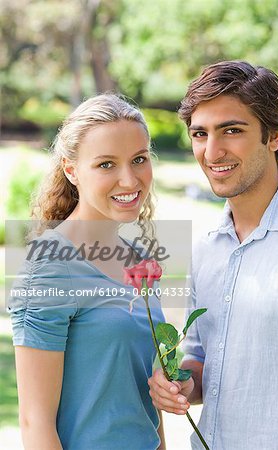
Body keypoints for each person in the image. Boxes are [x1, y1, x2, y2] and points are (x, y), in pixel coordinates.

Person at [148, 61, 278, 449]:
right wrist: (182, 384)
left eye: (232, 130)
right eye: (200, 134)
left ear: (274, 135)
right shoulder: (205, 247)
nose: (212, 152)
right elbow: (202, 358)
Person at [8, 94, 166, 450]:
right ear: (71, 170)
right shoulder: (49, 266)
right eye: (106, 164)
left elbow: (145, 409)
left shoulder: (139, 262)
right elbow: (36, 423)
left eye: (139, 159)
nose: (129, 180)